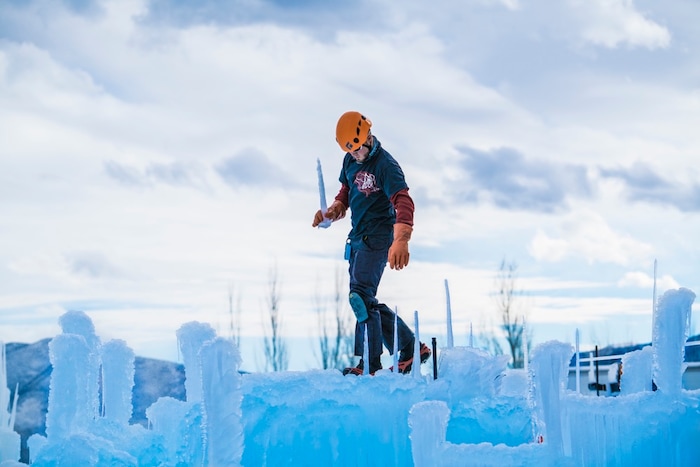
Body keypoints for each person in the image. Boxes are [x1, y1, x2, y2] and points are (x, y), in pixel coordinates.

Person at [312, 111, 430, 375]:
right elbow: (345, 193)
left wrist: (401, 239)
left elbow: (403, 200)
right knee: (366, 300)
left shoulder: (385, 165)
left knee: (360, 298)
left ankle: (370, 365)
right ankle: (411, 348)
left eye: (356, 149)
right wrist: (331, 212)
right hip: (356, 239)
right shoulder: (349, 161)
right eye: (348, 150)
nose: (354, 155)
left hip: (377, 237)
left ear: (367, 138)